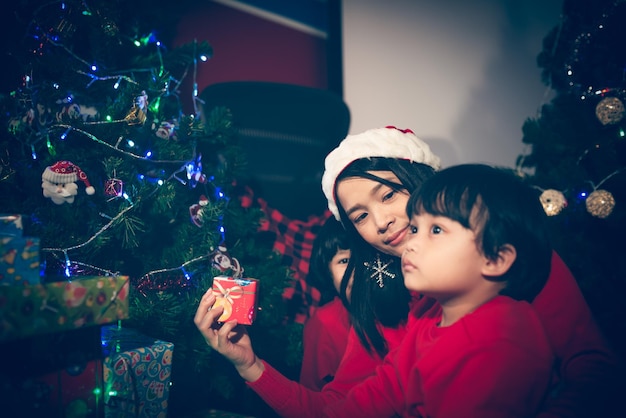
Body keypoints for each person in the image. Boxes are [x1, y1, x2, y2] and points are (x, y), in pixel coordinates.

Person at [195, 126, 621, 417]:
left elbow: (592, 372)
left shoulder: (514, 263)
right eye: (360, 216)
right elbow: (344, 405)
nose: (381, 222)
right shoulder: (395, 301)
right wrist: (250, 365)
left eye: (390, 194)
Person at [326, 163, 555, 417]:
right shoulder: (425, 319)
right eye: (414, 229)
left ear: (496, 259)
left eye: (435, 230)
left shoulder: (497, 340)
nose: (412, 242)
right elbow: (382, 390)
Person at [299, 216, 352, 391]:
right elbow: (311, 395)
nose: (356, 270)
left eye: (362, 258)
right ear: (328, 272)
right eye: (344, 261)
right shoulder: (324, 322)